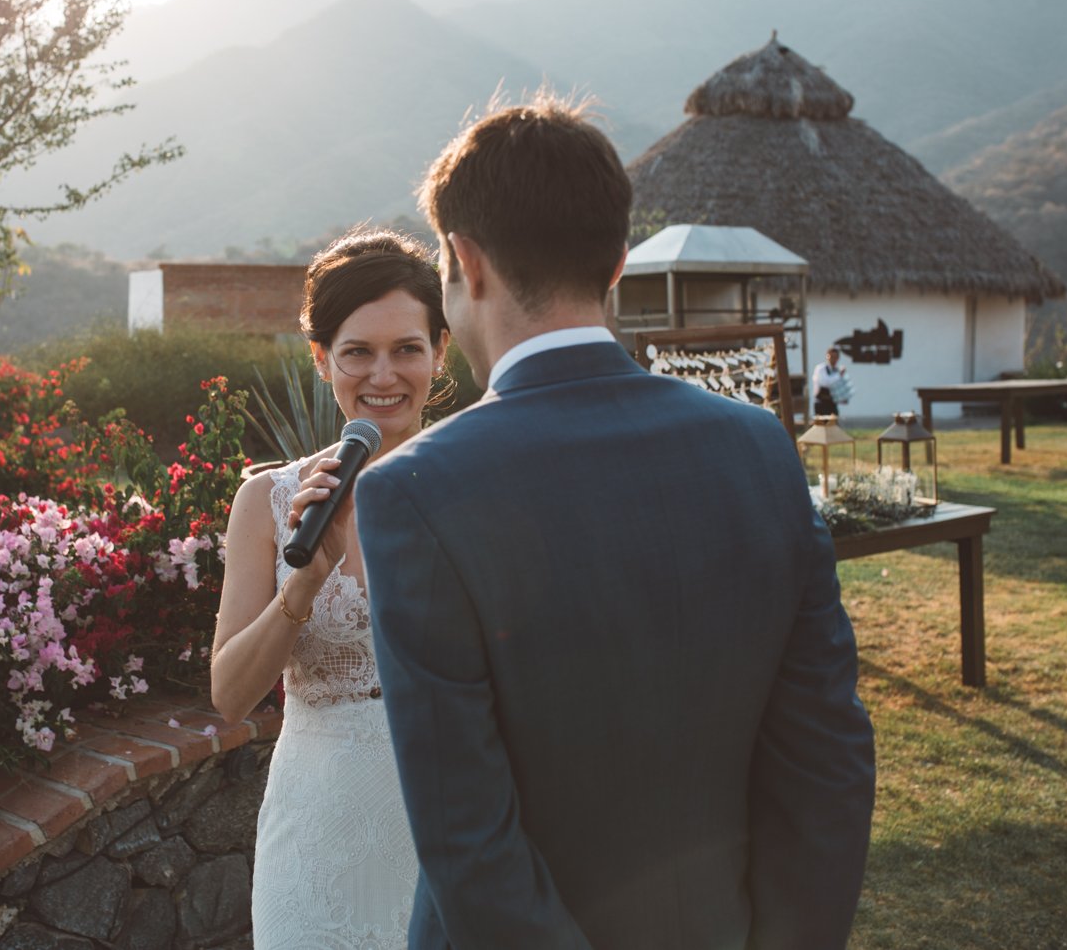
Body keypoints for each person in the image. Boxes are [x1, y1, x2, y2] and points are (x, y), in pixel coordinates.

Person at [352, 96, 876, 949]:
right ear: (617, 262)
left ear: (465, 263)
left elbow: (466, 837)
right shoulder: (758, 448)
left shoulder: (414, 490)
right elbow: (829, 764)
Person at [211, 228, 450, 948]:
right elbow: (229, 695)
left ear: (441, 351)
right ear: (322, 359)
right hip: (319, 830)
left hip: (451, 820)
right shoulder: (269, 500)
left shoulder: (479, 488)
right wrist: (305, 581)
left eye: (407, 348)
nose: (384, 373)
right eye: (358, 351)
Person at [812, 345, 849, 417]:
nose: (833, 359)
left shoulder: (837, 370)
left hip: (832, 403)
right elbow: (825, 382)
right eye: (831, 357)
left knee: (834, 425)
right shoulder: (820, 368)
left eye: (835, 357)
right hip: (821, 403)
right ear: (827, 356)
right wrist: (839, 375)